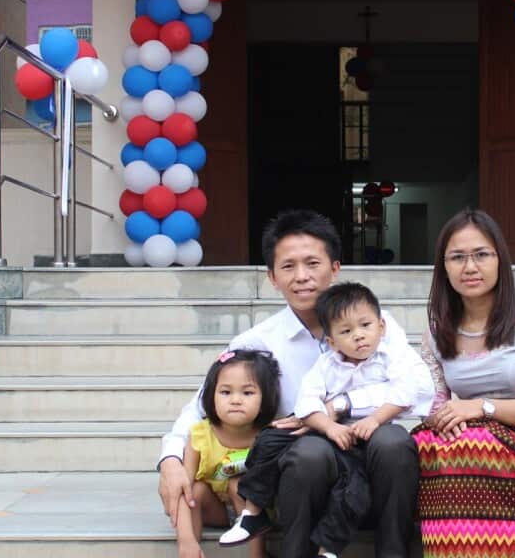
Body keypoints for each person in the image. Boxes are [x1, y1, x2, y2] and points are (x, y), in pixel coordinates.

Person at [157, 210, 420, 558]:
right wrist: (172, 460)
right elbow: (203, 406)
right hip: (306, 475)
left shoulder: (374, 324)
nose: (302, 277)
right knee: (309, 451)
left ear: (335, 268)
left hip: (373, 460)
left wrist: (339, 406)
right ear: (272, 277)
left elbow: (414, 384)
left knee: (393, 440)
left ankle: (393, 550)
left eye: (313, 263)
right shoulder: (257, 342)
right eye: (288, 267)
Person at [220, 282, 433, 558]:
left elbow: (407, 392)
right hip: (333, 438)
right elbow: (307, 402)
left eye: (365, 326)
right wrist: (329, 426)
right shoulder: (327, 364)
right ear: (331, 341)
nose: (359, 336)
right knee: (277, 440)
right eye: (346, 331)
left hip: (374, 437)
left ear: (382, 326)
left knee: (393, 442)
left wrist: (374, 418)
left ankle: (383, 550)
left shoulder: (392, 356)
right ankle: (254, 511)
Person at [414, 208, 515, 558]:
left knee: (473, 446)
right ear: (443, 267)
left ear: (500, 260)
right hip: (466, 452)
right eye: (457, 257)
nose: (469, 267)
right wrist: (450, 423)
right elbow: (434, 407)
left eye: (481, 255)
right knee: (422, 448)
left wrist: (481, 409)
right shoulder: (435, 329)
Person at [174, 350, 280, 558]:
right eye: (225, 392)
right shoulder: (200, 435)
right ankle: (191, 550)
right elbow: (182, 490)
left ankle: (257, 554)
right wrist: (185, 540)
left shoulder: (269, 435)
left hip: (261, 511)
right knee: (194, 489)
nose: (235, 400)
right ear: (211, 396)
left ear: (265, 398)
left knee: (238, 484)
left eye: (247, 393)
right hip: (218, 510)